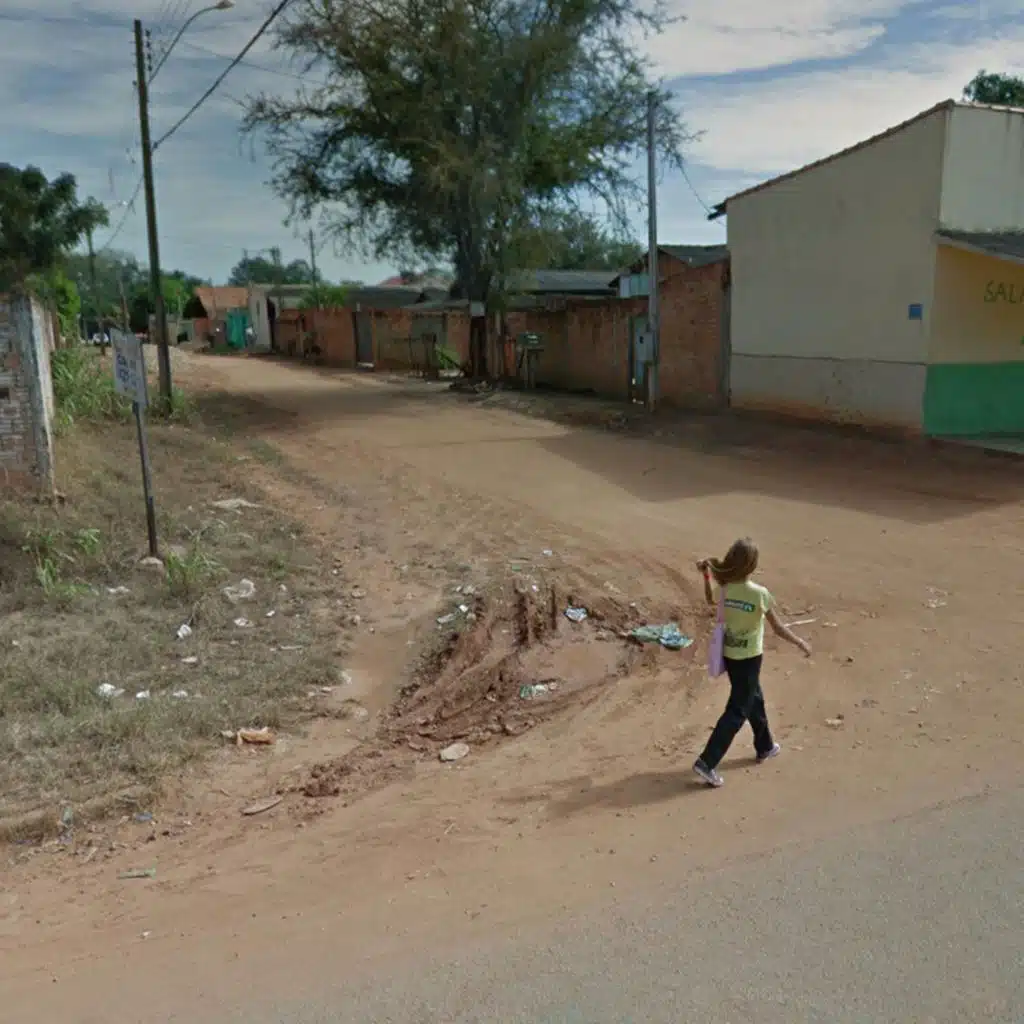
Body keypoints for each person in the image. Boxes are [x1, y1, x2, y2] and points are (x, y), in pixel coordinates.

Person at [693, 537, 811, 788]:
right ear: (752, 566)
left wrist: (706, 576)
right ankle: (707, 761)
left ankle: (765, 746)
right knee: (738, 709)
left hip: (730, 655)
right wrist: (799, 642)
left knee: (753, 697)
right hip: (750, 657)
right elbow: (778, 628)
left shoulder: (725, 590)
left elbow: (710, 599)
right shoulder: (760, 594)